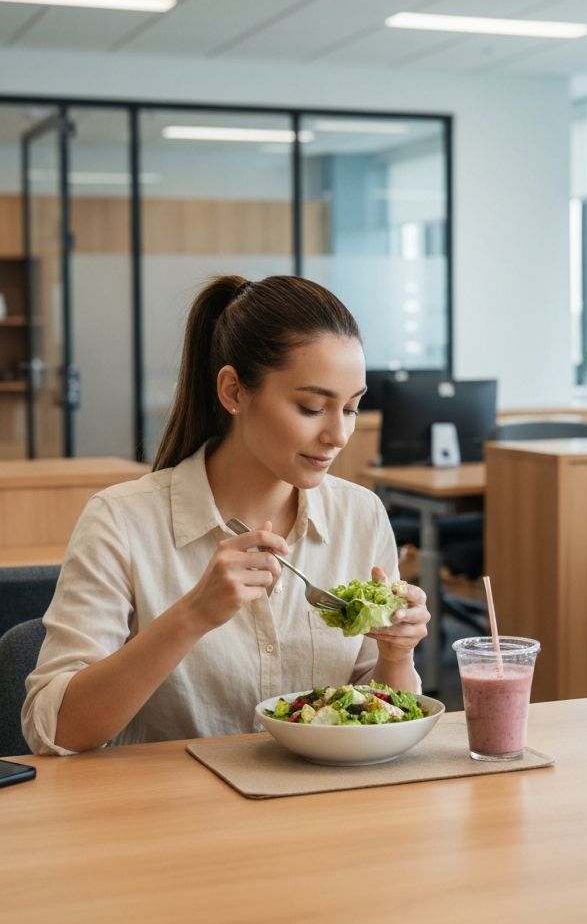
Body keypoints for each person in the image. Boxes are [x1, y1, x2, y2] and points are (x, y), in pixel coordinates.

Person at [23, 274, 430, 754]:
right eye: (312, 407)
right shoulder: (121, 521)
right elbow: (55, 731)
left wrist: (396, 654)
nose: (339, 435)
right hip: (174, 816)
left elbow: (381, 711)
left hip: (322, 811)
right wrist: (192, 615)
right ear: (234, 391)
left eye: (352, 408)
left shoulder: (360, 515)